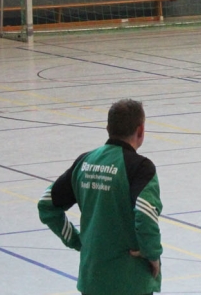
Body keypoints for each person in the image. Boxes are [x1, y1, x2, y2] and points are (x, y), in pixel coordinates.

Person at [37, 99, 163, 295]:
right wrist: (152, 254)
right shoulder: (141, 168)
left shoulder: (85, 162)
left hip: (92, 279)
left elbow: (46, 204)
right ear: (140, 131)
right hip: (130, 281)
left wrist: (76, 240)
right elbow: (145, 214)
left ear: (108, 129)